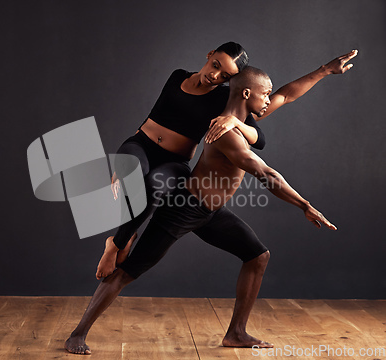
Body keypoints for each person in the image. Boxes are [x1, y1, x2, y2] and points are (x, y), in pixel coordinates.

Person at [65, 67, 338, 355]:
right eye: (265, 94)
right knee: (128, 272)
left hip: (210, 212)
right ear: (246, 94)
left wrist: (325, 70)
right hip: (183, 209)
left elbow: (286, 96)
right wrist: (305, 205)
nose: (270, 99)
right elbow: (265, 173)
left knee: (257, 256)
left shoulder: (241, 120)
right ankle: (77, 334)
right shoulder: (225, 133)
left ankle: (236, 333)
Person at [96, 47, 357, 280]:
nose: (215, 75)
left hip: (176, 161)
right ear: (209, 55)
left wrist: (237, 122)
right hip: (140, 144)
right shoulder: (177, 76)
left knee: (154, 186)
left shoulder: (220, 101)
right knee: (132, 174)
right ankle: (121, 239)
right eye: (216, 65)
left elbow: (276, 109)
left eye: (225, 76)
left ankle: (116, 244)